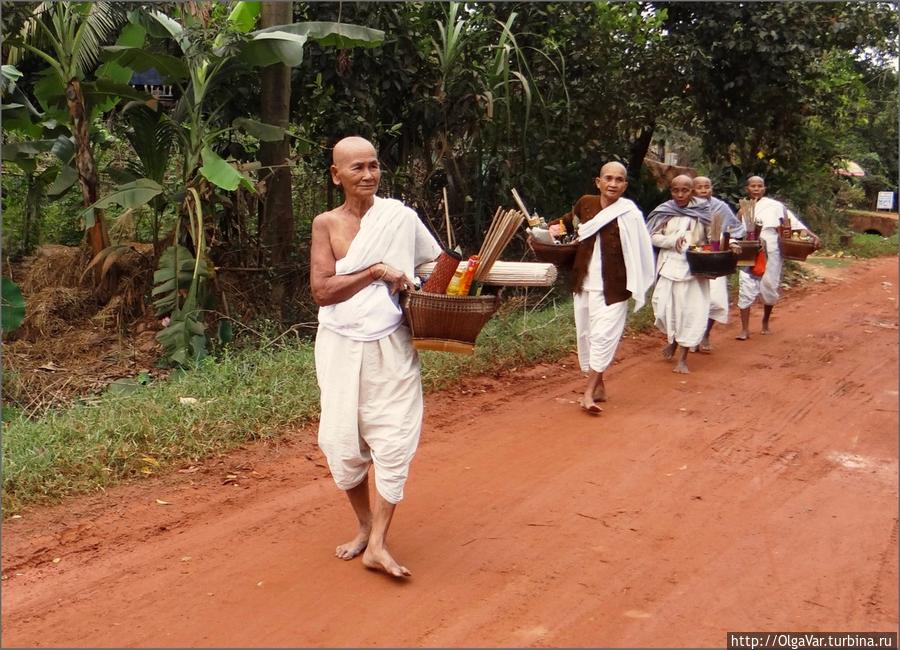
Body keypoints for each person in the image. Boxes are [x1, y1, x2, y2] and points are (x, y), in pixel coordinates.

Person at [309, 136, 441, 577]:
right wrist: (375, 272)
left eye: (374, 166)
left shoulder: (400, 218)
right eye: (357, 168)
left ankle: (379, 543)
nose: (368, 175)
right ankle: (364, 525)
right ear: (336, 175)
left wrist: (443, 291)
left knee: (395, 436)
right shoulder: (325, 224)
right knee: (343, 443)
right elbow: (322, 291)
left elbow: (435, 266)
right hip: (340, 347)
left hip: (392, 344)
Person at [550, 161, 655, 414]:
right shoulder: (586, 203)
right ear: (598, 182)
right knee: (586, 334)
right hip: (584, 283)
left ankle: (588, 393)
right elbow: (568, 222)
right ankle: (599, 385)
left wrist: (637, 282)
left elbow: (641, 249)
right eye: (608, 178)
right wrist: (554, 228)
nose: (613, 184)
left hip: (615, 288)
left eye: (619, 180)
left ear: (625, 185)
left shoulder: (630, 214)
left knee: (603, 336)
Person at [735, 176, 820, 340]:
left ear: (764, 189)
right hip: (750, 248)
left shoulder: (775, 206)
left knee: (769, 286)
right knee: (746, 284)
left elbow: (794, 224)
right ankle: (744, 329)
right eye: (753, 186)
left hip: (772, 249)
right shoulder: (743, 208)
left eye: (760, 186)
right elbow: (734, 230)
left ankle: (765, 321)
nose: (756, 189)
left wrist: (813, 236)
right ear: (747, 188)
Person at [647, 175, 715, 373]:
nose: (680, 194)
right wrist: (670, 241)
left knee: (689, 313)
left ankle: (683, 358)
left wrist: (728, 246)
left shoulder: (704, 212)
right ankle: (674, 341)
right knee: (662, 310)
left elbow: (715, 237)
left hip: (694, 271)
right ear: (671, 191)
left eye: (684, 190)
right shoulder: (664, 211)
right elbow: (650, 236)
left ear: (692, 191)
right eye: (675, 190)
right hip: (668, 268)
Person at [691, 176, 746, 352]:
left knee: (716, 301)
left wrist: (730, 243)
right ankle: (690, 338)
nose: (703, 190)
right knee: (691, 302)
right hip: (693, 259)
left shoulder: (720, 207)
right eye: (699, 187)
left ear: (712, 189)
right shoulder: (686, 206)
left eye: (707, 187)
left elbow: (736, 229)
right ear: (693, 190)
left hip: (715, 259)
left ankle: (705, 334)